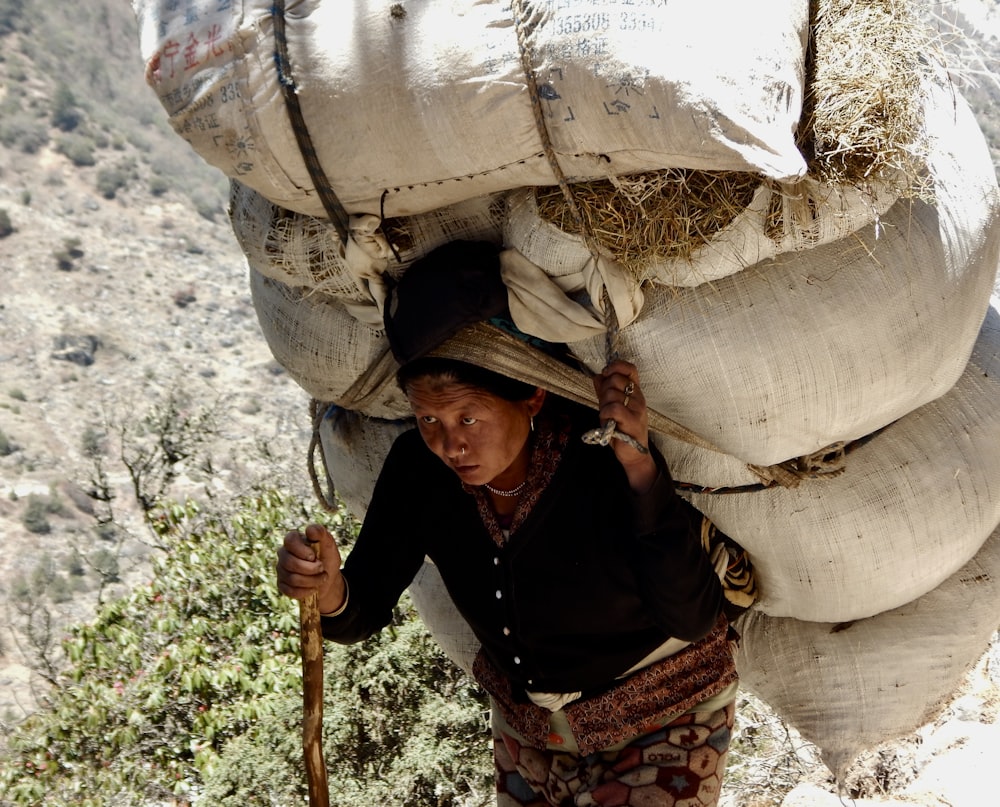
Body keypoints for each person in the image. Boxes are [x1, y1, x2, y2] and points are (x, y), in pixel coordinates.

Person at [276, 241, 739, 806]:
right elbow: (360, 611)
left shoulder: (599, 460)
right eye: (428, 418)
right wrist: (326, 591)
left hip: (667, 712)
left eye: (468, 415)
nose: (450, 443)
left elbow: (692, 617)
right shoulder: (418, 473)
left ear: (533, 396)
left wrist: (640, 467)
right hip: (530, 735)